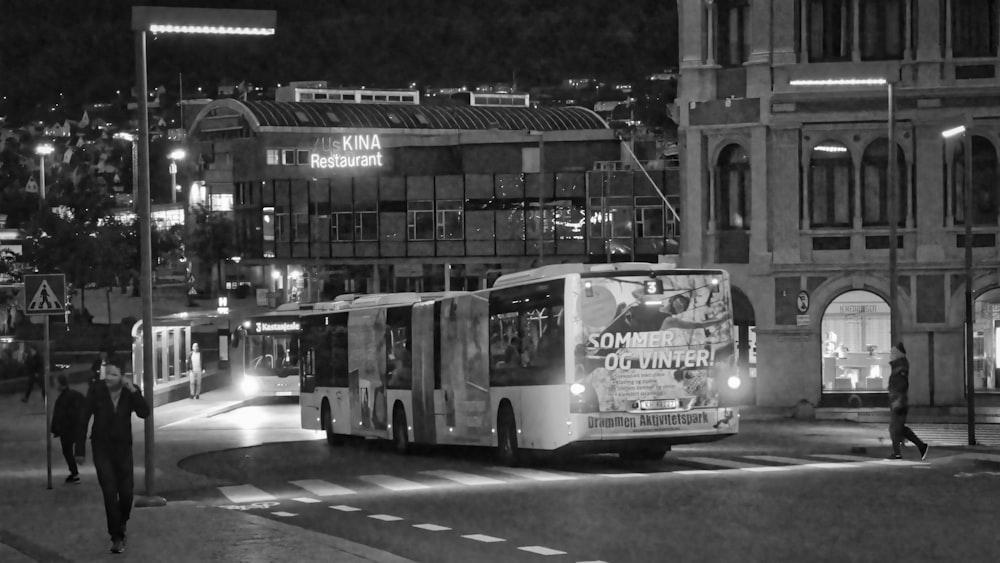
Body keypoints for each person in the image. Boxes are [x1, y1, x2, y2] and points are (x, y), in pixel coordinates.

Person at [82, 362, 149, 554]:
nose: (109, 378)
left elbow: (145, 412)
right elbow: (84, 416)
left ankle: (122, 521)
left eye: (113, 374)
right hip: (101, 448)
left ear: (122, 376)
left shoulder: (129, 391)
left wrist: (134, 391)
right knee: (110, 492)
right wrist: (79, 448)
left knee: (127, 493)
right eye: (107, 374)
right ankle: (116, 537)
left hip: (122, 449)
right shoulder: (96, 390)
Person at [887, 342, 929, 461]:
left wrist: (897, 400)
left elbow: (901, 385)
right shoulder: (898, 367)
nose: (890, 355)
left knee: (894, 428)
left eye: (892, 353)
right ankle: (921, 446)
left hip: (899, 402)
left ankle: (897, 454)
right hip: (897, 401)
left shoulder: (900, 368)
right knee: (899, 428)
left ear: (897, 354)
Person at [51, 373, 86, 483]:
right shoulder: (75, 395)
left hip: (67, 429)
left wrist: (55, 428)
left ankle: (74, 473)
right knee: (70, 450)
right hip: (76, 427)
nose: (55, 385)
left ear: (61, 384)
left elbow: (59, 415)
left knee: (67, 451)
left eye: (56, 383)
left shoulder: (62, 399)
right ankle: (74, 472)